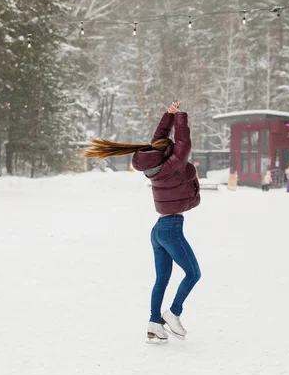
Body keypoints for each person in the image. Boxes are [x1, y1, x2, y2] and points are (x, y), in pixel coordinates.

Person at [82, 102, 201, 343]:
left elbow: (159, 139)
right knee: (193, 273)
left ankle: (154, 324)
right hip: (170, 228)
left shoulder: (154, 167)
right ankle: (173, 312)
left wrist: (168, 115)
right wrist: (180, 117)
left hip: (159, 230)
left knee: (161, 280)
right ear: (168, 152)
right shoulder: (173, 165)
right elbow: (183, 143)